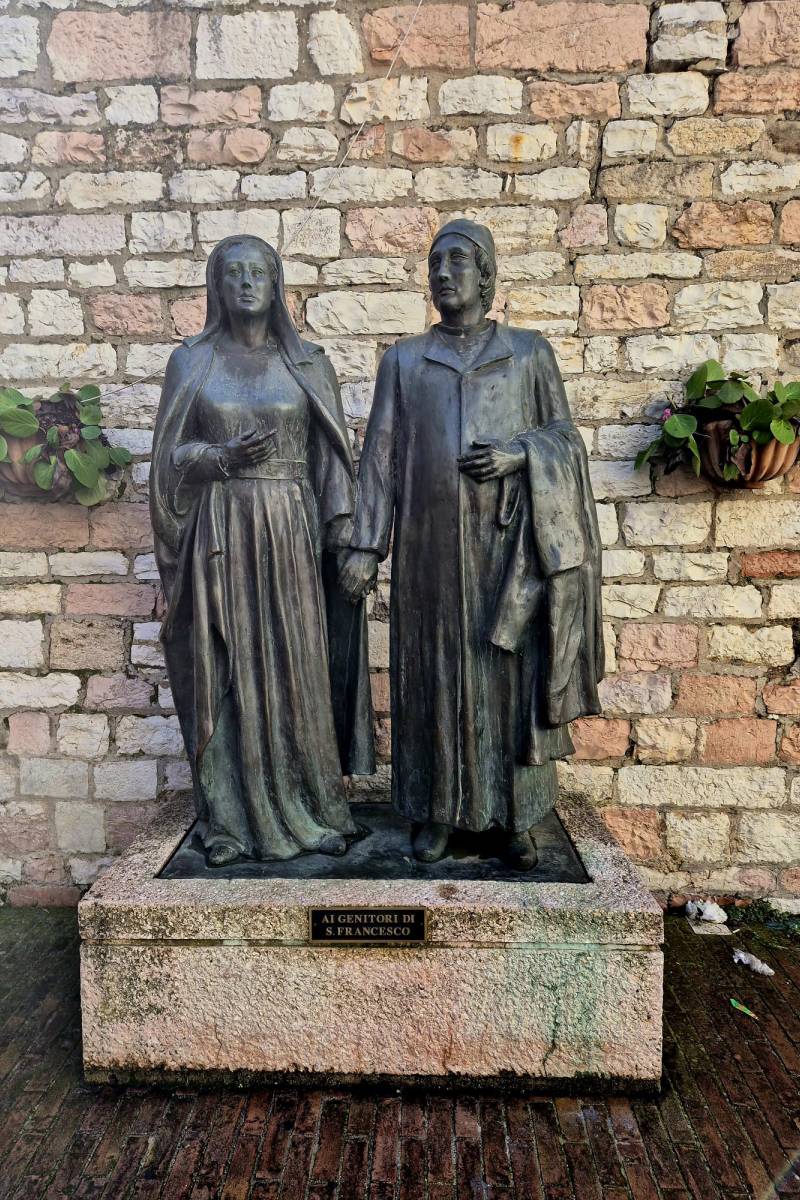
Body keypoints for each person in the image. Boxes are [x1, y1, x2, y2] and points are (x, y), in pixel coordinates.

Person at [339, 219, 603, 869]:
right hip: (428, 553)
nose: (443, 272)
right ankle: (437, 811)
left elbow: (565, 440)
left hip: (509, 552)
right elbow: (381, 457)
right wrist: (366, 546)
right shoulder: (404, 361)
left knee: (509, 679)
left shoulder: (528, 353)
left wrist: (520, 453)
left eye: (458, 260)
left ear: (486, 275)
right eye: (435, 262)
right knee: (432, 676)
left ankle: (516, 815)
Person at [151, 235, 374, 867]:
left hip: (292, 532)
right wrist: (216, 457)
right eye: (234, 273)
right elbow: (168, 461)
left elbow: (333, 461)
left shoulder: (307, 363)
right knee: (226, 667)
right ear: (216, 286)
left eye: (259, 273)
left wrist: (346, 541)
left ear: (277, 286)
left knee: (298, 666)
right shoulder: (191, 362)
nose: (247, 283)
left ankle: (313, 811)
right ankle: (229, 822)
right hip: (221, 534)